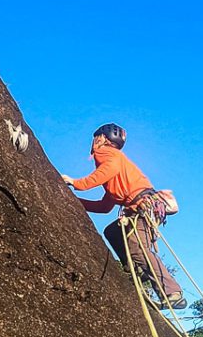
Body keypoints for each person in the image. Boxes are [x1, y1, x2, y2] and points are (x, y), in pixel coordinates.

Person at [61, 123, 186, 309]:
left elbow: (104, 172)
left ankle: (172, 293)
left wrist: (75, 183)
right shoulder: (118, 174)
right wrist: (75, 201)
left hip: (144, 207)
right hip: (140, 208)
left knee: (138, 248)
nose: (94, 142)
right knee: (112, 231)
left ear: (102, 138)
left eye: (96, 137)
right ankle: (135, 268)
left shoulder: (107, 154)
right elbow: (104, 207)